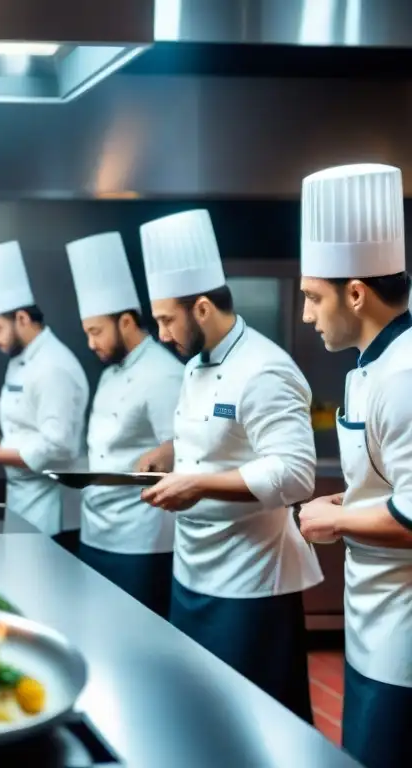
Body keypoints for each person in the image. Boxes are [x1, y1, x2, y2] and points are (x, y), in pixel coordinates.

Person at [137, 209, 323, 720]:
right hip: (192, 569)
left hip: (250, 579)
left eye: (166, 319)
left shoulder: (264, 368)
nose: (160, 334)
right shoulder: (195, 365)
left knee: (253, 723)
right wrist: (168, 454)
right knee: (200, 713)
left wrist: (199, 484)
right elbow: (216, 437)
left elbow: (294, 473)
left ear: (201, 308)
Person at [295, 163, 412, 768]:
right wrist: (350, 502)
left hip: (403, 632)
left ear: (357, 293)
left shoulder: (406, 373)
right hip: (370, 619)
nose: (309, 315)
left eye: (314, 298)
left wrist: (336, 522)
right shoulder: (366, 368)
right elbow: (390, 483)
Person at [67, 231, 183, 616]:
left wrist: (168, 451)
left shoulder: (164, 373)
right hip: (96, 527)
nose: (90, 343)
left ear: (127, 321)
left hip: (141, 537)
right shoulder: (108, 374)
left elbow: (184, 450)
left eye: (95, 331)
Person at [0, 240, 88, 539]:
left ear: (22, 318)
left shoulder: (53, 366)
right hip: (23, 497)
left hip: (51, 506)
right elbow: (26, 424)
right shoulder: (22, 358)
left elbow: (58, 446)